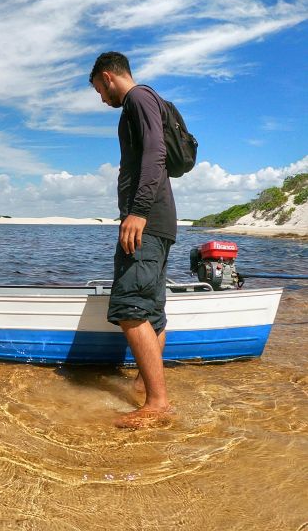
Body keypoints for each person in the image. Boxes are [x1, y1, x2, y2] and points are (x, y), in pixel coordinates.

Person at [89, 51, 177, 429]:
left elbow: (157, 152)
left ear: (108, 77)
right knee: (152, 311)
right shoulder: (149, 100)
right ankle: (146, 388)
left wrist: (137, 211)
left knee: (129, 307)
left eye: (98, 89)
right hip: (159, 223)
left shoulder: (138, 98)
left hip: (147, 220)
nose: (100, 98)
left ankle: (157, 403)